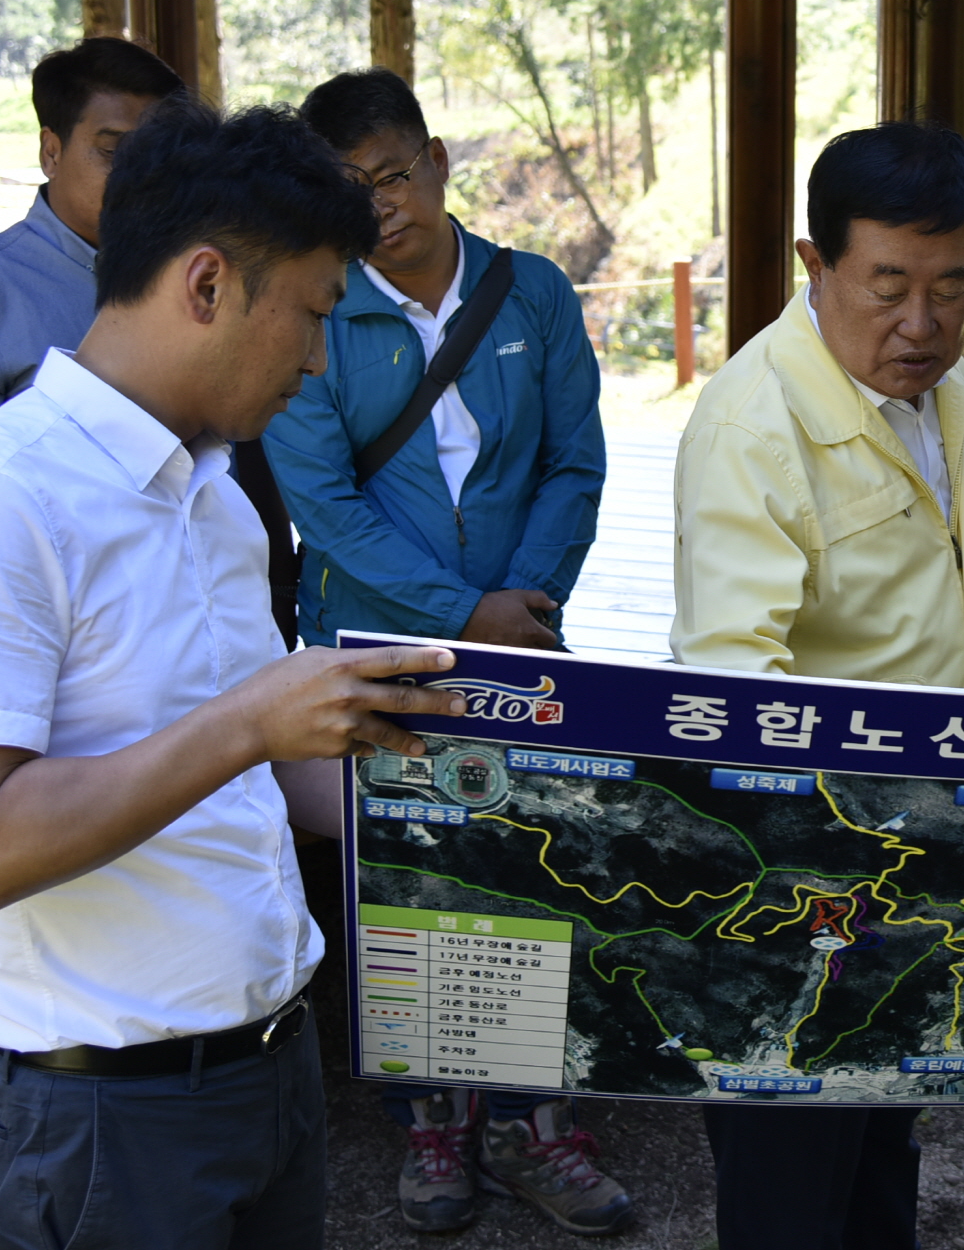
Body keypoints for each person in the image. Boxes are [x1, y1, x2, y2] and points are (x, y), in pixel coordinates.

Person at [0, 100, 469, 1250]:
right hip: (100, 1114)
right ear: (206, 284)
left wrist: (488, 809)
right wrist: (253, 719)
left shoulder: (212, 490)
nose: (316, 356)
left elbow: (265, 772)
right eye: (309, 313)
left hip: (271, 1066)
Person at [671, 121, 964, 1250]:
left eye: (953, 288)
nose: (923, 322)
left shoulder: (936, 385)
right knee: (791, 1187)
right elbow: (736, 688)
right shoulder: (757, 424)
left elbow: (911, 551)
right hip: (801, 890)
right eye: (887, 285)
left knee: (879, 1165)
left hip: (916, 865)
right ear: (815, 266)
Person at [261, 68, 622, 1237]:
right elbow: (325, 506)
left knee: (533, 865)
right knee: (408, 876)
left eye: (396, 172)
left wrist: (532, 599)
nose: (382, 204)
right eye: (352, 188)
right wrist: (465, 614)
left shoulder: (534, 296)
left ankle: (537, 1124)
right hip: (375, 645)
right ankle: (435, 1124)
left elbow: (576, 461)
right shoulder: (320, 311)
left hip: (526, 632)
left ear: (438, 157)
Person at [0, 37, 182, 512]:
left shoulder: (195, 276)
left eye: (163, 154)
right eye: (114, 151)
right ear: (51, 152)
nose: (145, 174)